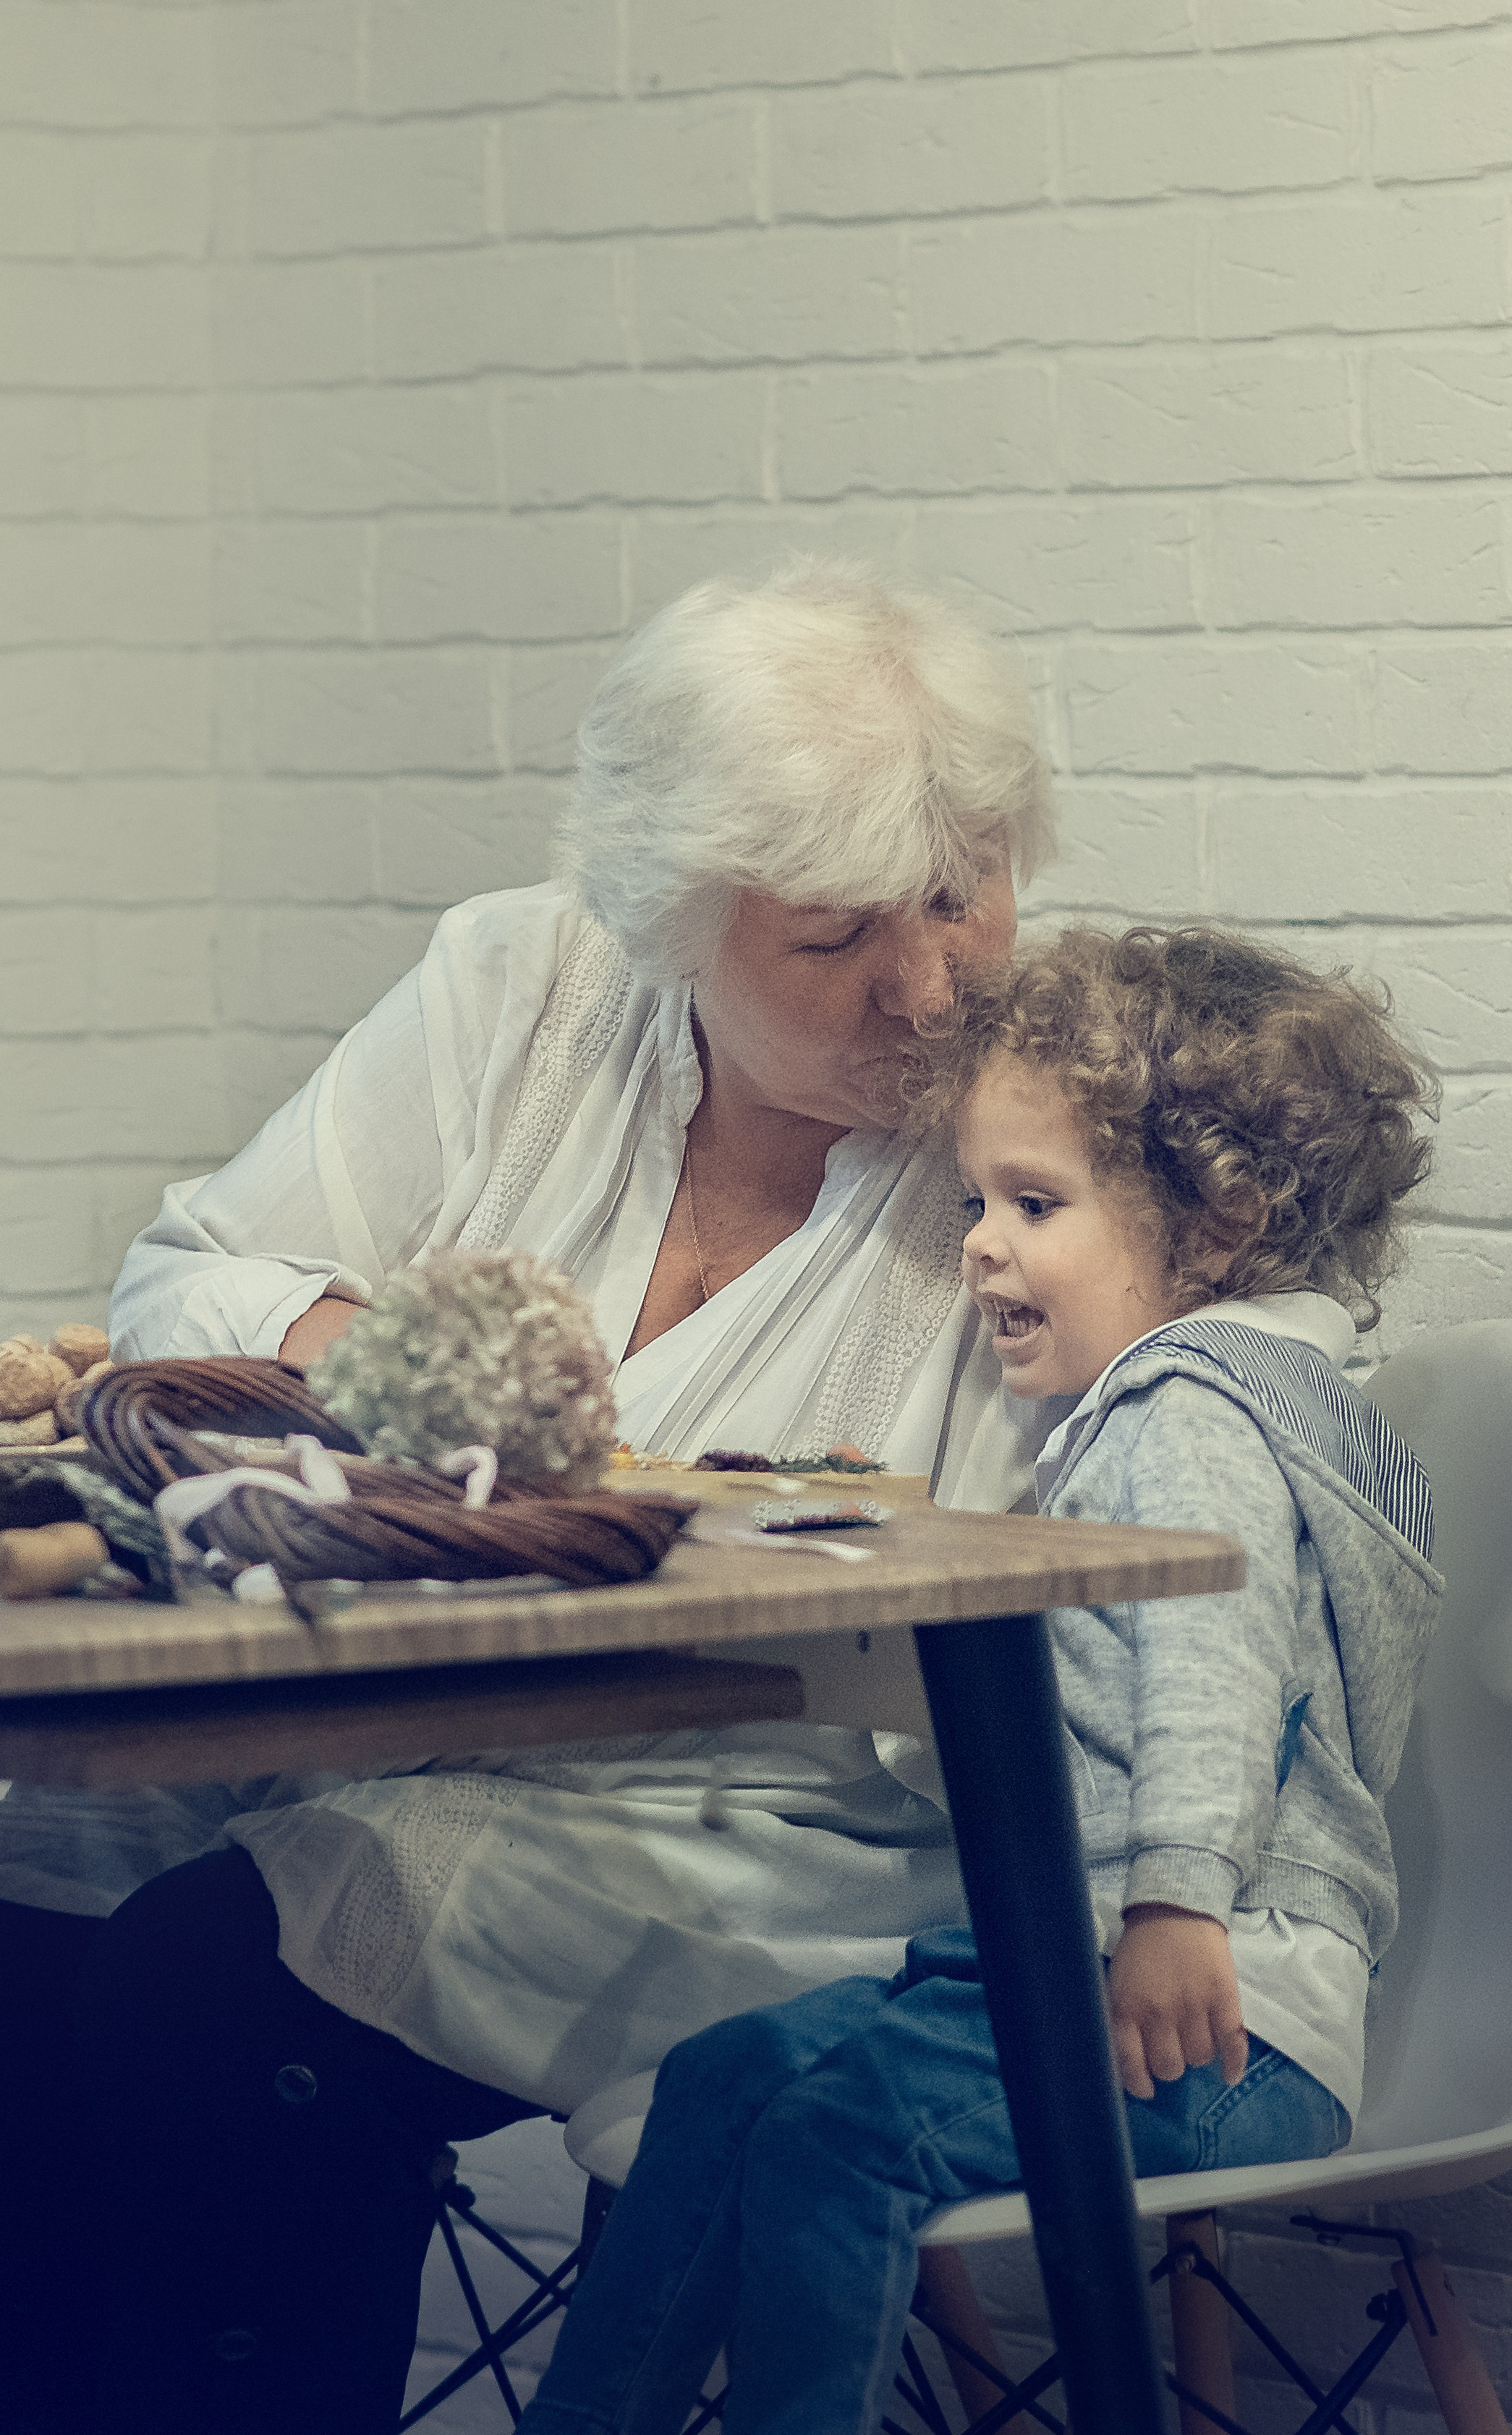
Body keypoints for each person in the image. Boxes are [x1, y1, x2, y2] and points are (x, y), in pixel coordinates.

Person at [0, 564, 1067, 2435]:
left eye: (958, 893)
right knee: (35, 1893)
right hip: (385, 1721)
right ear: (670, 919)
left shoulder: (1058, 1123)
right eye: (827, 939)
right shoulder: (527, 980)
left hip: (784, 1803)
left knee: (207, 1986)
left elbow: (1072, 1530)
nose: (928, 986)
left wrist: (518, 1470)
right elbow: (190, 1275)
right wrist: (422, 1373)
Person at [517, 923, 1444, 2435]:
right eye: (975, 1198)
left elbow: (1216, 1661)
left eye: (1035, 1201)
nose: (981, 1243)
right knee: (727, 2075)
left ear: (1217, 1222)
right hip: (1059, 1978)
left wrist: (1174, 1908)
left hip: (1214, 2024)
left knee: (836, 2136)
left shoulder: (1192, 1406)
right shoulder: (1254, 1398)